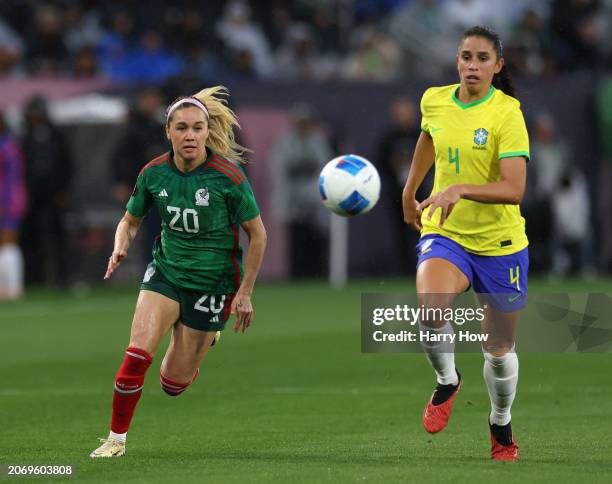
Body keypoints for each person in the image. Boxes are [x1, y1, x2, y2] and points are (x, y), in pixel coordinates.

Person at [90, 86, 267, 458]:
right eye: (182, 128)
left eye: (198, 128)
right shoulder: (154, 173)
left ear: (207, 132)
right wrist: (121, 243)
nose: (190, 135)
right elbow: (130, 219)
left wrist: (245, 292)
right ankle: (115, 441)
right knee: (136, 355)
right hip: (165, 274)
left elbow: (257, 234)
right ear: (168, 132)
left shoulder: (228, 178)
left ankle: (206, 336)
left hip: (212, 284)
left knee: (173, 384)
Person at [402, 26, 528, 461]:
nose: (472, 66)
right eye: (465, 57)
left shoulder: (507, 113)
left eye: (481, 58)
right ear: (457, 61)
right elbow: (429, 139)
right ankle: (447, 380)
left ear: (497, 65)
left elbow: (514, 188)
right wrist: (410, 189)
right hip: (446, 230)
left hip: (501, 242)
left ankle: (499, 419)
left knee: (498, 352)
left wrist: (460, 189)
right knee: (431, 306)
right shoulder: (434, 99)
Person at [0, 114, 26, 300]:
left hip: (8, 200)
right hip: (11, 198)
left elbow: (12, 178)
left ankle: (13, 288)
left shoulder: (7, 147)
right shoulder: (10, 146)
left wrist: (6, 201)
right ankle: (7, 287)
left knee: (8, 242)